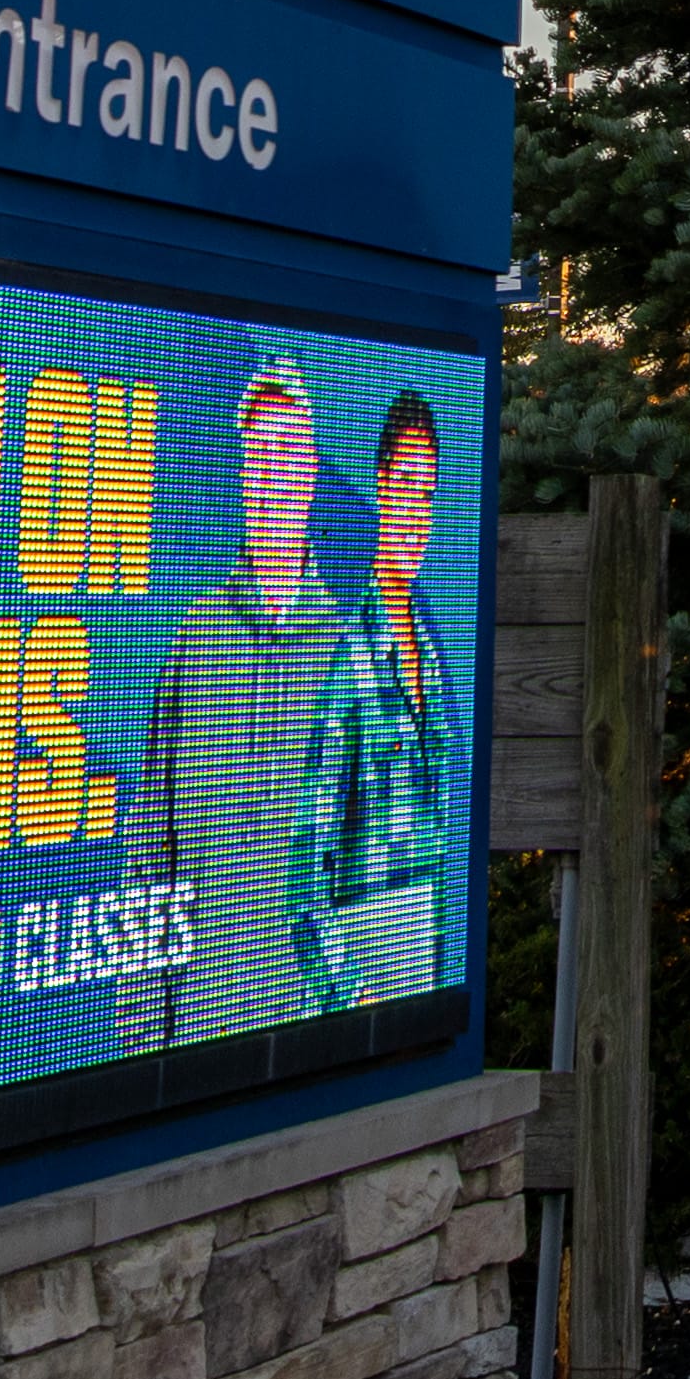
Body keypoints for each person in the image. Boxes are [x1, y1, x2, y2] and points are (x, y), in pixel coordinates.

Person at [126, 363, 357, 1052]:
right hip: (201, 1024)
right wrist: (142, 1032)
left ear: (313, 470)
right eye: (259, 455)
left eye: (290, 451)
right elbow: (150, 847)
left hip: (308, 1029)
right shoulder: (198, 633)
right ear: (241, 474)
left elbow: (372, 859)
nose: (274, 477)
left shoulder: (348, 647)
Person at [287, 390, 464, 1010]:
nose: (417, 510)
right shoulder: (349, 649)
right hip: (364, 945)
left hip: (429, 944)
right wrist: (343, 988)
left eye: (430, 490)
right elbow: (311, 849)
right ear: (381, 488)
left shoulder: (436, 647)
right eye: (406, 483)